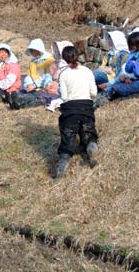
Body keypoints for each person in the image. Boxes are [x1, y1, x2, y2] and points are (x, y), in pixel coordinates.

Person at [55, 46, 98, 178]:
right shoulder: (87, 71)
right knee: (89, 133)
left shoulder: (63, 74)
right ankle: (91, 146)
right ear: (78, 55)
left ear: (64, 58)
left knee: (67, 140)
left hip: (70, 110)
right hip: (86, 108)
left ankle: (62, 165)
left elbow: (64, 96)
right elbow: (94, 93)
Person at [8, 38, 58, 109]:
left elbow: (47, 77)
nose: (32, 52)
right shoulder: (33, 62)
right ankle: (15, 102)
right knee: (22, 92)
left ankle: (18, 101)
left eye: (33, 50)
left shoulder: (49, 61)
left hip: (43, 88)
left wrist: (34, 85)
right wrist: (28, 84)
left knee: (33, 96)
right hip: (33, 87)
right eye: (31, 50)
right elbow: (29, 75)